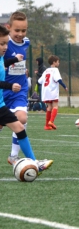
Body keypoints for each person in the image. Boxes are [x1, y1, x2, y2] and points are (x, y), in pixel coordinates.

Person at [0, 25, 53, 174]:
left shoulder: (1, 58)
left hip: (1, 106)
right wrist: (10, 86)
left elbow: (3, 64)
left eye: (5, 43)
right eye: (2, 44)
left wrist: (14, 60)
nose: (5, 47)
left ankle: (35, 163)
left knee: (20, 128)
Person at [3, 11, 31, 165]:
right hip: (3, 89)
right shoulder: (4, 44)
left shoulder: (26, 42)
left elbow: (21, 60)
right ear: (9, 28)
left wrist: (23, 69)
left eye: (23, 30)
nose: (20, 34)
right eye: (17, 30)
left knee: (22, 118)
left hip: (19, 89)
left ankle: (13, 156)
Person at [38, 55, 68, 130]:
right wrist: (64, 86)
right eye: (58, 62)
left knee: (49, 107)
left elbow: (39, 81)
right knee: (55, 106)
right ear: (54, 62)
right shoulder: (55, 70)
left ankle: (47, 126)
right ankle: (51, 121)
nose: (59, 63)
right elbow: (58, 79)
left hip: (45, 91)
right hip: (52, 90)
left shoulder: (46, 70)